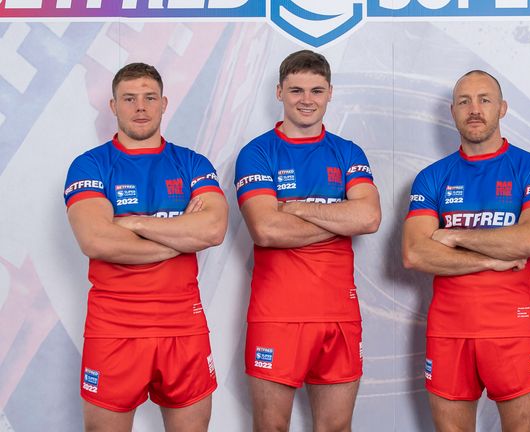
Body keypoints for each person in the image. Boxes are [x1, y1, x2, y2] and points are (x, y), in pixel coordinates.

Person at [64, 63, 228, 432]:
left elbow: (214, 228)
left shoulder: (191, 163)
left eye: (149, 97)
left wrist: (135, 223)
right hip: (115, 329)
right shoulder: (90, 165)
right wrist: (181, 236)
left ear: (164, 103)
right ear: (113, 106)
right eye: (130, 98)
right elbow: (97, 240)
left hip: (183, 328)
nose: (141, 106)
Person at [402, 70, 530, 431]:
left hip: (513, 329)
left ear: (502, 108)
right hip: (448, 331)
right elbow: (415, 253)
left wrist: (452, 234)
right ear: (452, 111)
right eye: (464, 101)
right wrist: (490, 258)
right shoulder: (432, 177)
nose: (475, 109)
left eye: (484, 99)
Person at [234, 50, 381, 432]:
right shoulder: (258, 153)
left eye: (316, 90)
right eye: (296, 89)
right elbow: (266, 229)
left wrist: (295, 207)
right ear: (279, 91)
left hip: (339, 313)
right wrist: (340, 218)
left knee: (335, 428)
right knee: (272, 427)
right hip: (277, 314)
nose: (306, 99)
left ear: (330, 93)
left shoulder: (348, 153)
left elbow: (368, 217)